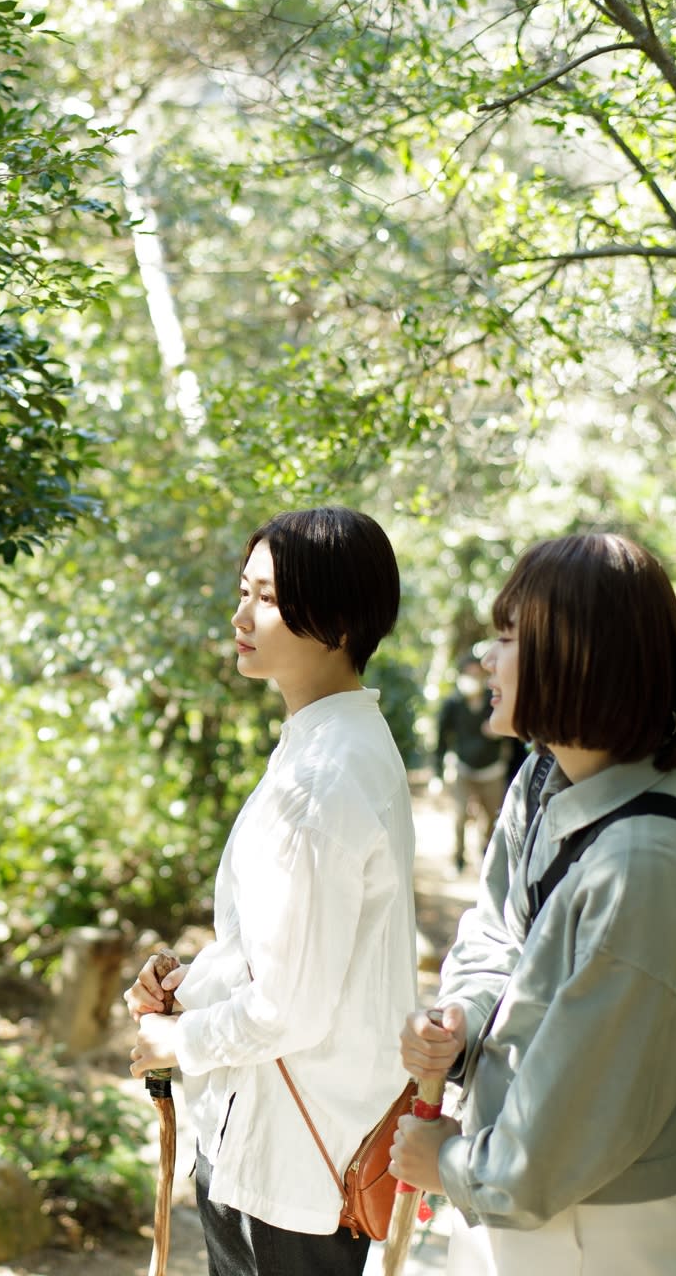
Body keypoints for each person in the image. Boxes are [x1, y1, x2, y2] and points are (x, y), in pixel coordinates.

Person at [393, 533, 676, 1276]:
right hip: (522, 1195)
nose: (486, 657)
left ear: (575, 656)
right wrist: (463, 1017)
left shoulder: (644, 865)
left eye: (508, 638)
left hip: (594, 1226)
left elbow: (590, 1100)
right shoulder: (544, 782)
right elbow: (495, 933)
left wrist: (451, 1165)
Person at [124, 507, 418, 1276]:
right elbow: (283, 951)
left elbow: (290, 1004)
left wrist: (176, 1042)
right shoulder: (325, 745)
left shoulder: (323, 776)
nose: (239, 615)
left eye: (265, 597)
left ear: (337, 622)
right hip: (277, 1135)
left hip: (295, 1155)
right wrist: (192, 986)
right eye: (242, 590)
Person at [434, 654, 508, 873]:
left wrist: (500, 730)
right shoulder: (452, 704)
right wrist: (437, 774)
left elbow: (514, 731)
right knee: (459, 816)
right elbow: (442, 739)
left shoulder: (494, 700)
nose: (474, 678)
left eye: (478, 674)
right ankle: (458, 859)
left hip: (492, 771)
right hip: (463, 769)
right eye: (469, 674)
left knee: (492, 819)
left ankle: (486, 857)